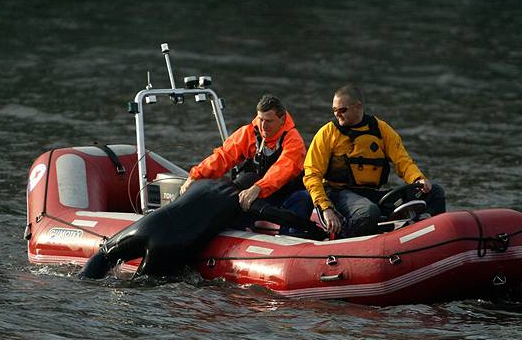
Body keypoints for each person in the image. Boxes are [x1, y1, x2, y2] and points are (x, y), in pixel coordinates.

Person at [303, 84, 446, 238]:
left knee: (435, 192)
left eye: (342, 110)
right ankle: (343, 235)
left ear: (358, 107)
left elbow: (403, 161)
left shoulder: (381, 129)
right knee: (369, 212)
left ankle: (424, 234)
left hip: (371, 194)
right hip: (339, 193)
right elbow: (312, 175)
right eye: (334, 110)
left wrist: (418, 179)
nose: (337, 114)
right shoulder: (327, 133)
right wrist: (326, 208)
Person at [180, 94, 313, 234]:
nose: (263, 126)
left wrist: (258, 188)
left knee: (303, 198)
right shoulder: (249, 132)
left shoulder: (293, 140)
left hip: (283, 194)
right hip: (257, 195)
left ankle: (291, 238)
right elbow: (223, 156)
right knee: (240, 191)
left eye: (269, 121)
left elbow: (284, 168)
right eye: (261, 119)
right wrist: (196, 176)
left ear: (282, 119)